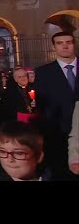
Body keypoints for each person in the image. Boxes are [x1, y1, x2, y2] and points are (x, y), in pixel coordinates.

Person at [35, 31, 78, 179]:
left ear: (74, 44)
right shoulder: (43, 72)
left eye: (69, 42)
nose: (65, 46)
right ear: (54, 47)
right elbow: (42, 107)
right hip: (58, 136)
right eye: (60, 43)